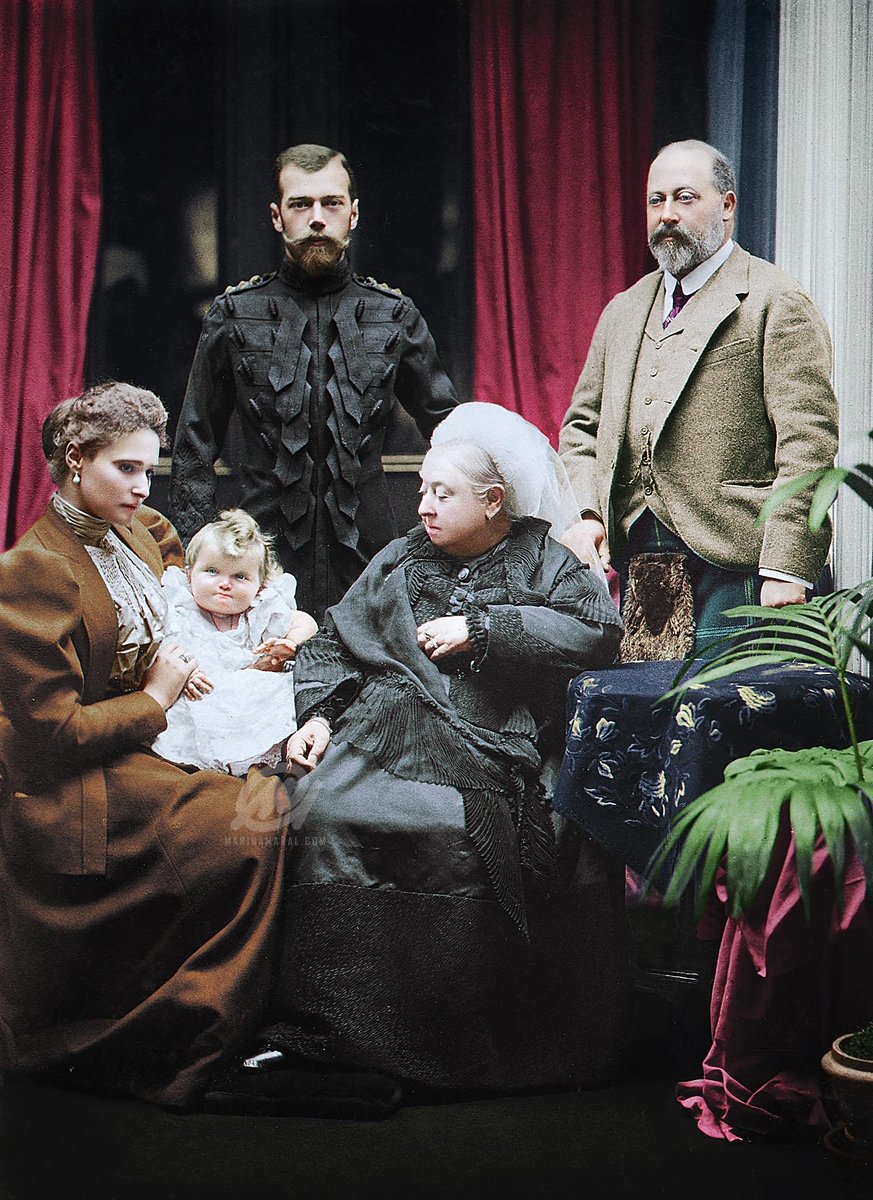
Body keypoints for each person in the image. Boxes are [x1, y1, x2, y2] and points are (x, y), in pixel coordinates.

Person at [207, 403, 629, 1109]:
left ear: (494, 502)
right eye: (423, 489)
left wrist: (485, 627)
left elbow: (596, 631)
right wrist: (314, 716)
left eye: (443, 494)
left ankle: (463, 1038)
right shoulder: (402, 558)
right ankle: (335, 1030)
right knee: (319, 811)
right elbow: (334, 641)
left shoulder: (541, 558)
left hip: (500, 737)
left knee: (456, 828)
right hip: (386, 724)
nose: (424, 506)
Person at [0, 382, 291, 1109]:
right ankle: (177, 1034)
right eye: (126, 469)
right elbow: (54, 734)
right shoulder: (32, 570)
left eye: (149, 470)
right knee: (250, 828)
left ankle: (231, 1013)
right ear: (74, 460)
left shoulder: (137, 531)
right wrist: (158, 696)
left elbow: (191, 593)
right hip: (71, 778)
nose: (142, 486)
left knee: (271, 801)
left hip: (136, 746)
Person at [559, 139, 839, 653]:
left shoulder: (776, 301)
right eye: (656, 200)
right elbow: (581, 427)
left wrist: (788, 565)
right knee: (654, 722)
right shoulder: (623, 311)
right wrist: (588, 514)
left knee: (736, 726)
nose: (667, 215)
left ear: (727, 207)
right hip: (642, 569)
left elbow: (809, 446)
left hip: (744, 566)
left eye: (685, 198)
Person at [170, 142, 459, 623]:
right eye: (300, 204)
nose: (317, 218)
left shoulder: (394, 315)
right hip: (256, 566)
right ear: (277, 217)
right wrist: (200, 562)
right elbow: (193, 448)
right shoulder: (233, 315)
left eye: (332, 203)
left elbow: (451, 433)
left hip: (372, 563)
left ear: (354, 214)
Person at [152, 508, 317, 775]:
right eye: (212, 571)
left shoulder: (261, 609)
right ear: (189, 574)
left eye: (240, 577)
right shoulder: (180, 609)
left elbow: (306, 622)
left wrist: (290, 643)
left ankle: (256, 761)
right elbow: (161, 647)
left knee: (281, 693)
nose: (224, 584)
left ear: (260, 586)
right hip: (203, 696)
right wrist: (185, 671)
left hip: (252, 698)